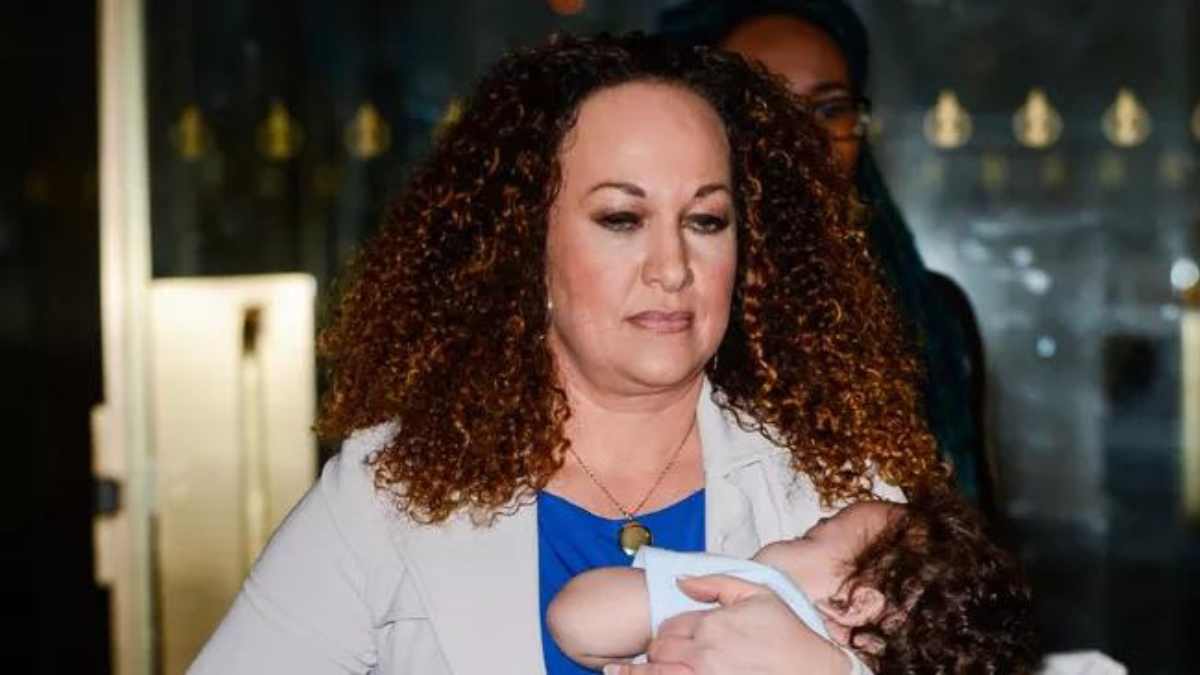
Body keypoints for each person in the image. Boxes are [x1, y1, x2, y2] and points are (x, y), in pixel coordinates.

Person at [190, 33, 949, 675]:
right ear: (524, 248)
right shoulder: (384, 492)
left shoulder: (846, 494)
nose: (672, 267)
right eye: (621, 218)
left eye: (706, 221)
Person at [659, 0, 992, 510]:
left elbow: (973, 526)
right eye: (761, 109)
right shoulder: (660, 309)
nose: (803, 137)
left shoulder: (934, 318)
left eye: (831, 109)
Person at [548, 490, 1036, 674]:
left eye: (811, 536)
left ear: (854, 603)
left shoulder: (757, 594)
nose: (792, 534)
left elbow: (577, 619)